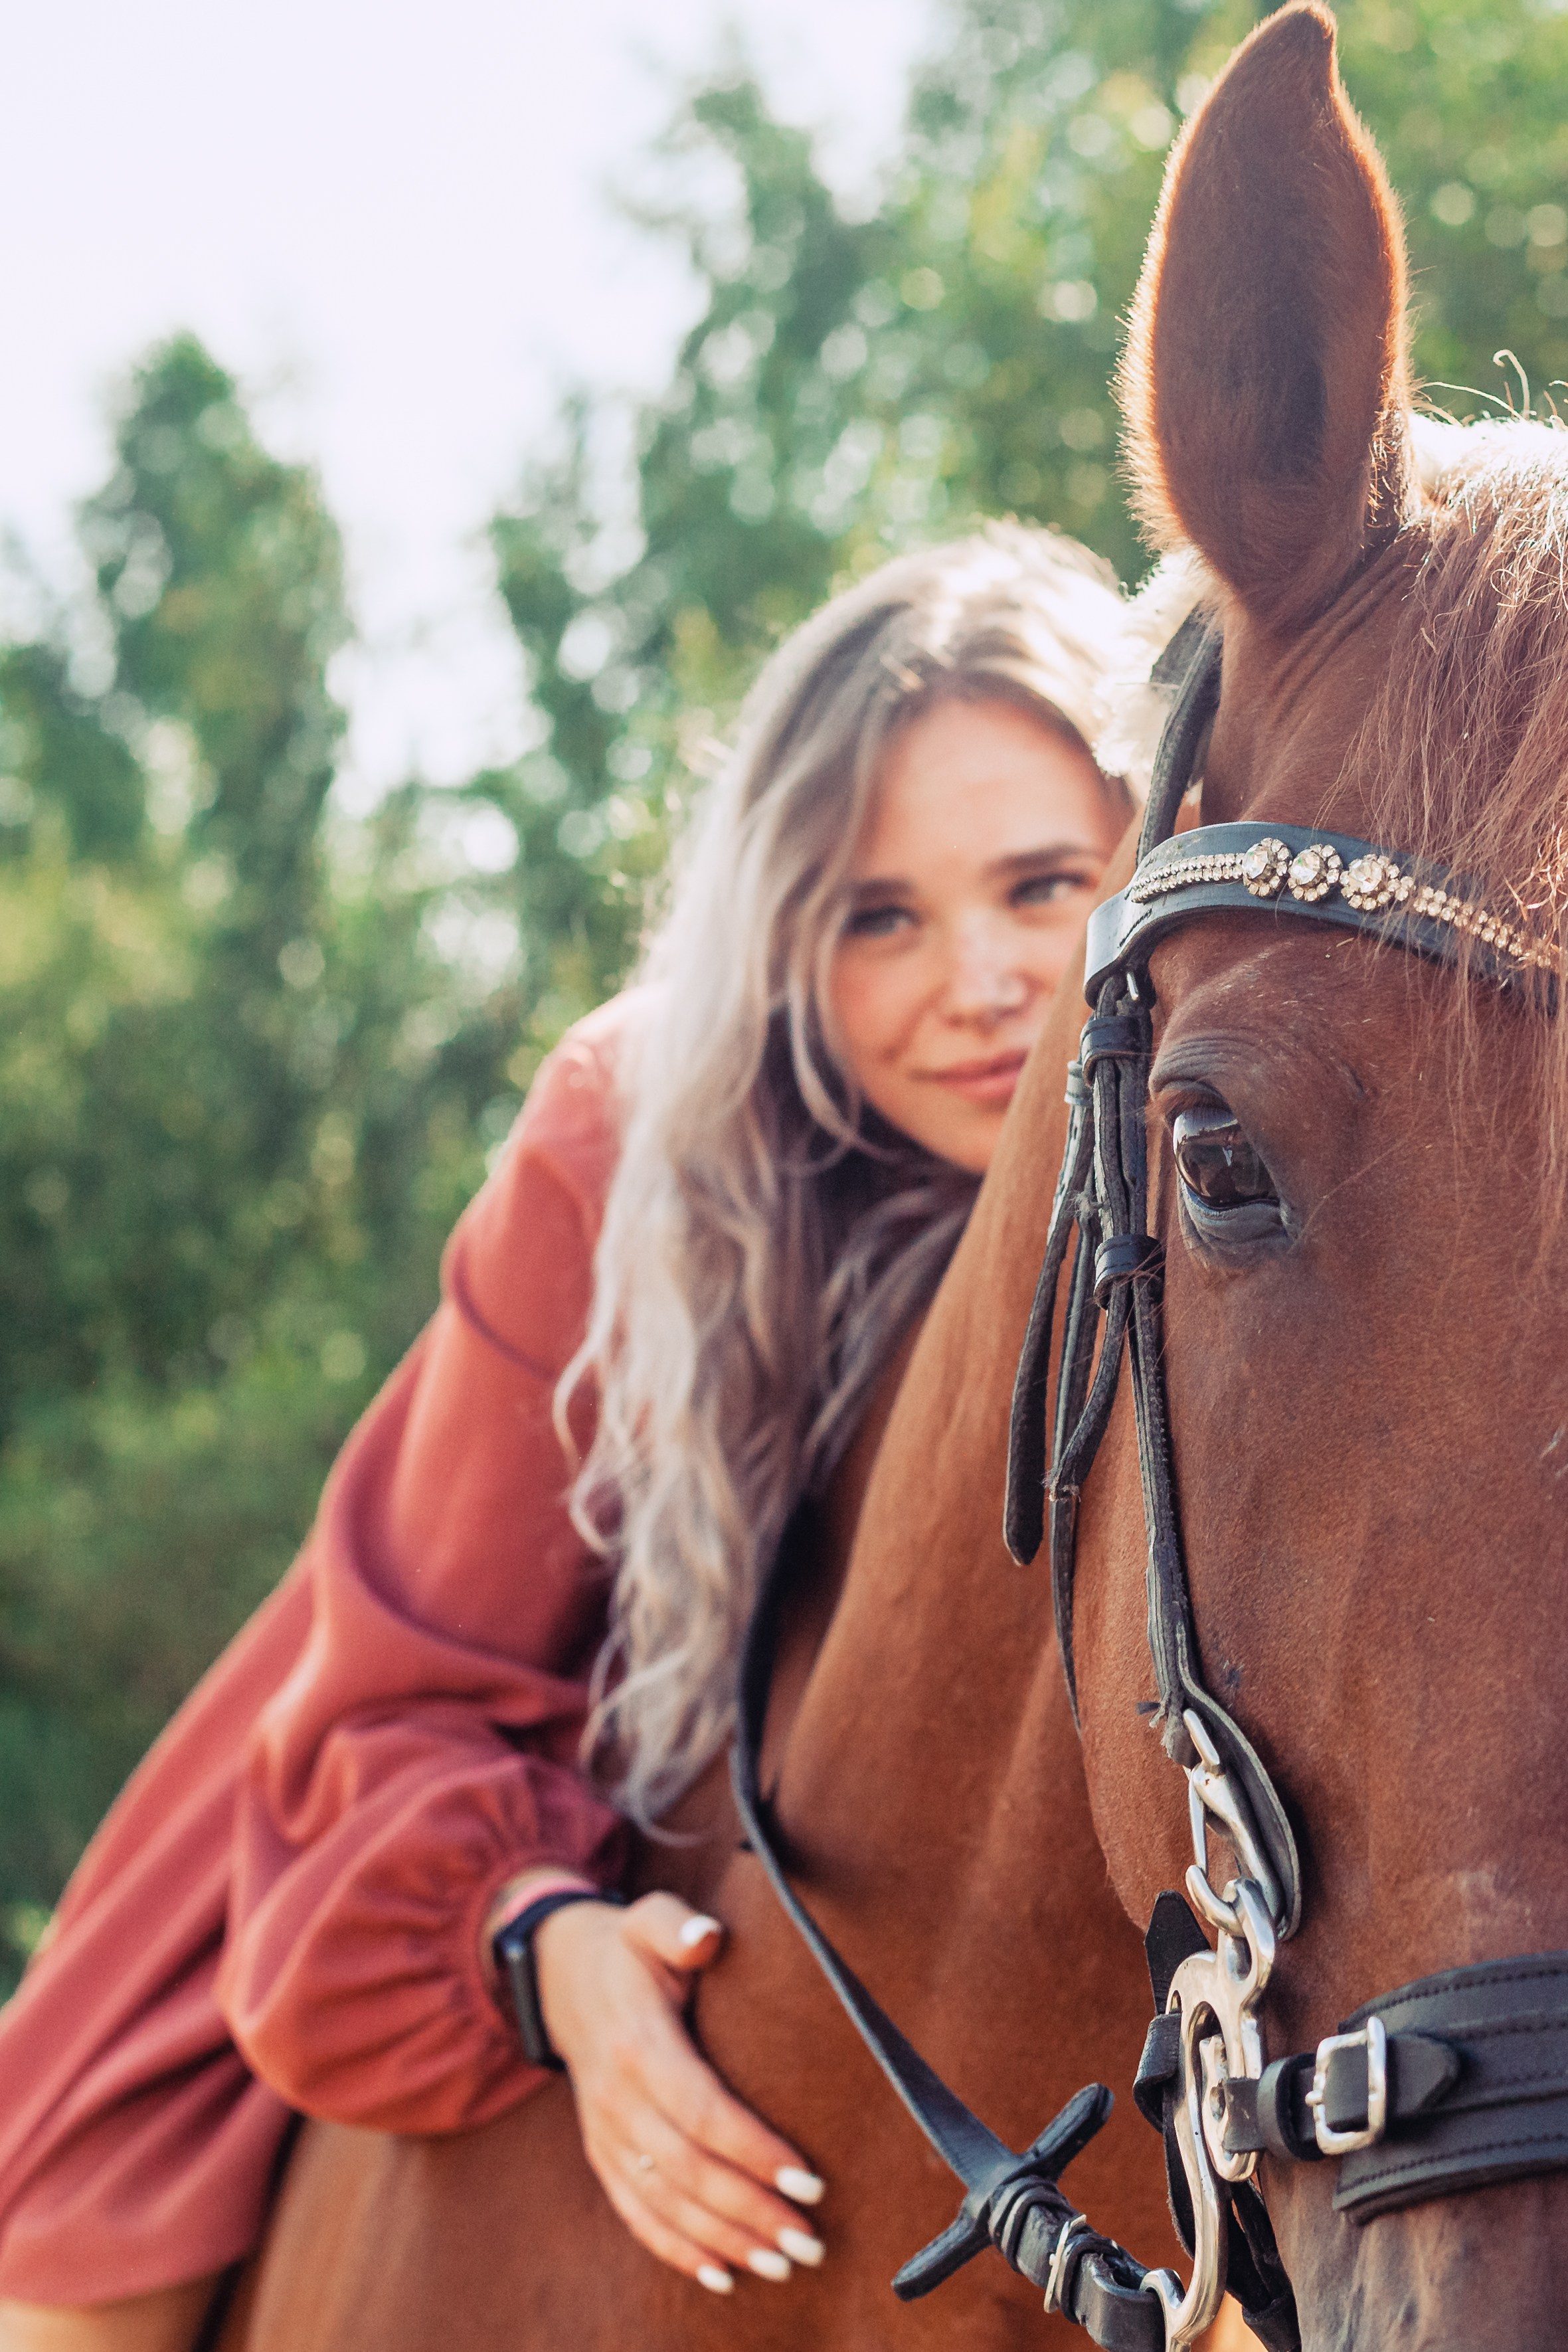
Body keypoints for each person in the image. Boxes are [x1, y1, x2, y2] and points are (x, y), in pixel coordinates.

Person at [0, 524, 1145, 2348]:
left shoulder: (1239, 1147)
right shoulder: (631, 1143)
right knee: (80, 2298)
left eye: (1043, 885)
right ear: (784, 936)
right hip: (447, 1733)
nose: (982, 980)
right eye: (878, 917)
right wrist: (548, 1953)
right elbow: (404, 1686)